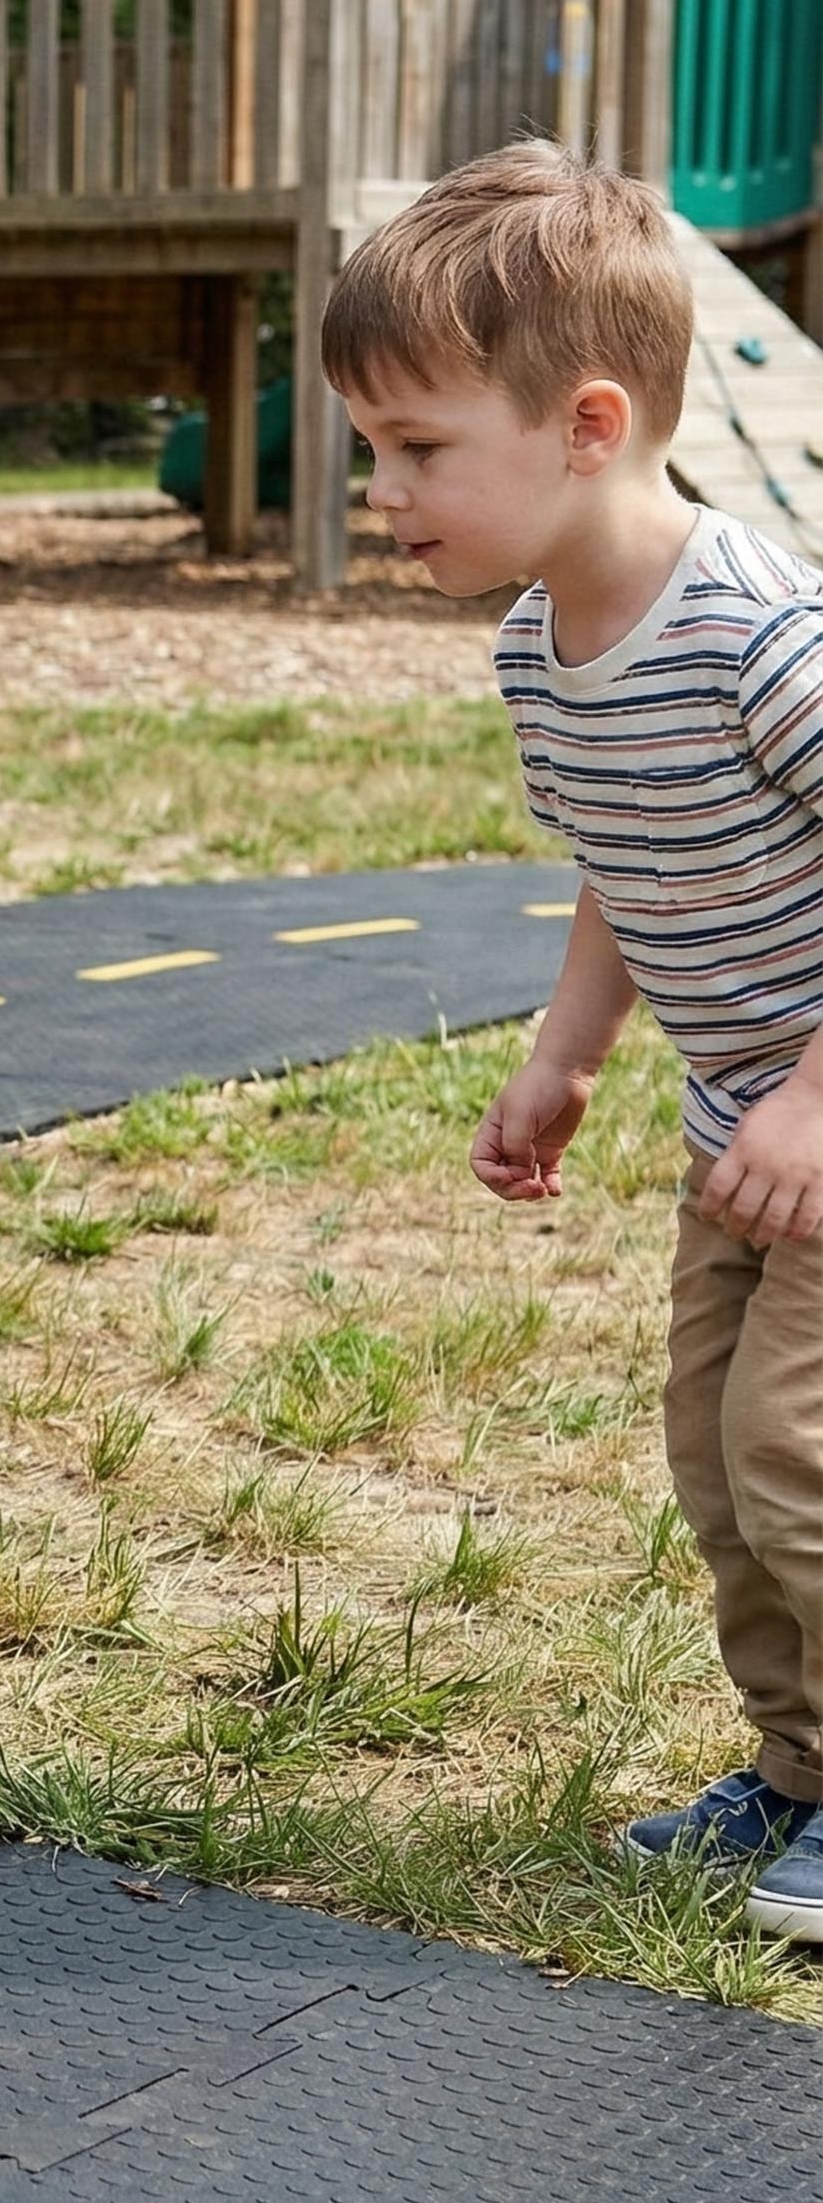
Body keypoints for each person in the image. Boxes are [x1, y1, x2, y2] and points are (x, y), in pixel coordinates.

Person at [323, 138, 823, 1941]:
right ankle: (794, 1779)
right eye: (374, 449)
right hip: (739, 1130)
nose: (384, 491)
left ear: (590, 423)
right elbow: (627, 856)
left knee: (798, 1453)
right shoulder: (543, 645)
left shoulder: (760, 633)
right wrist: (568, 1048)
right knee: (719, 1454)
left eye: (421, 448)